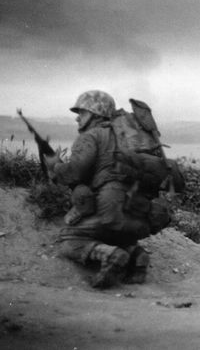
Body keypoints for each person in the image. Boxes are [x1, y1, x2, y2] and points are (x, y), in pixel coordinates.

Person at [44, 90, 172, 289]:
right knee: (114, 232)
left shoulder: (91, 136)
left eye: (82, 113)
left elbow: (76, 173)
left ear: (95, 113)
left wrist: (55, 167)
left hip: (109, 212)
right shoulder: (129, 138)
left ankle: (110, 255)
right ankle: (137, 257)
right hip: (140, 216)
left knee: (68, 241)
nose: (78, 118)